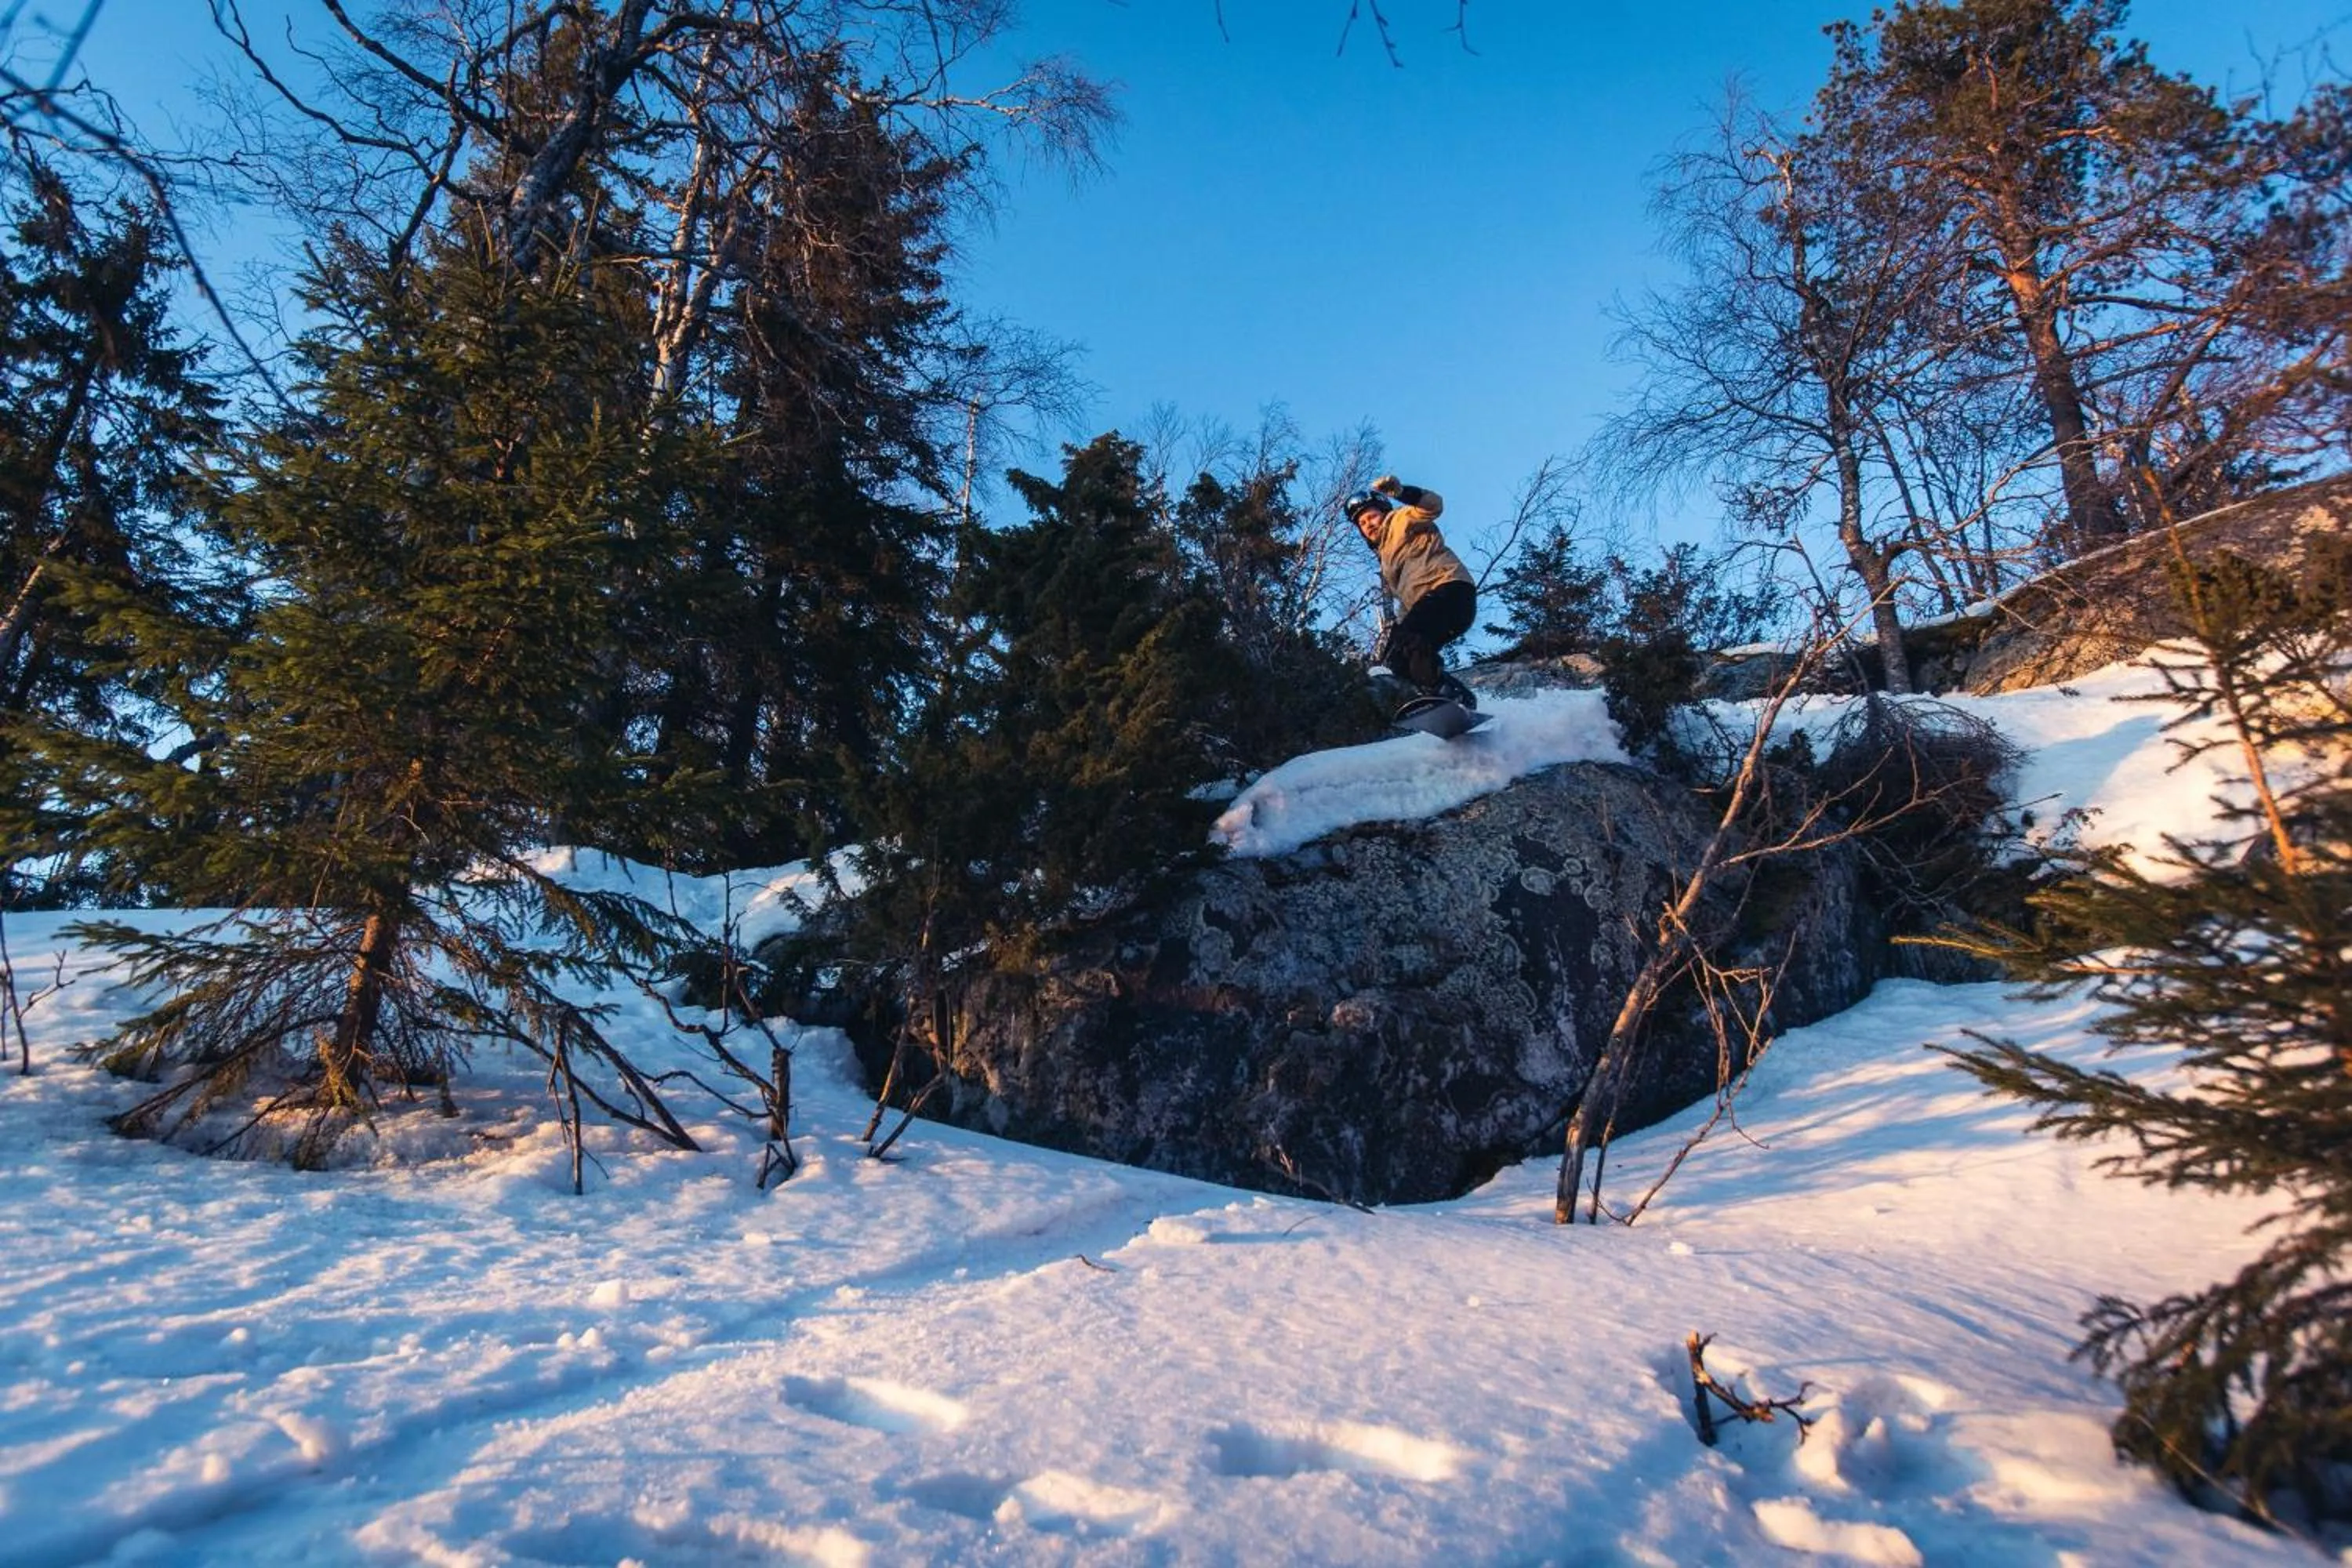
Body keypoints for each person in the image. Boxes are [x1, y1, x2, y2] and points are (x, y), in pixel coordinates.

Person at [1345, 474, 1477, 707]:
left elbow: (1433, 506)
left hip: (1449, 590)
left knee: (1409, 639)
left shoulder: (1400, 520)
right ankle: (1456, 699)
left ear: (1384, 512)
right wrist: (1398, 633)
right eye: (1362, 524)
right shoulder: (1386, 558)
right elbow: (1407, 602)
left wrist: (1402, 492)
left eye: (1372, 517)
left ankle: (1445, 694)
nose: (1369, 525)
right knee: (1398, 662)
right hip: (1431, 605)